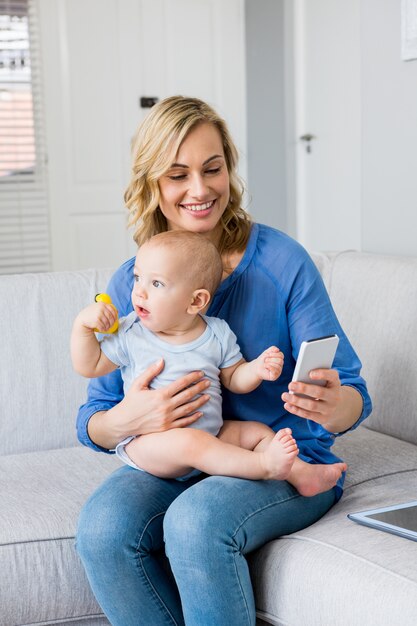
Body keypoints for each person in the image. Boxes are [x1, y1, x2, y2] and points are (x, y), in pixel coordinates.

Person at [75, 95, 372, 626]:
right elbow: (95, 416)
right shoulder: (134, 282)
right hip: (172, 459)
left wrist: (331, 404)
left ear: (229, 170)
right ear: (152, 186)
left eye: (213, 169)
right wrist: (125, 420)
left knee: (195, 523)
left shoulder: (281, 261)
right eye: (177, 174)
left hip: (279, 457)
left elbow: (353, 396)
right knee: (102, 529)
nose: (199, 190)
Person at [72, 229, 347, 487]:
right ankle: (265, 466)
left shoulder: (216, 332)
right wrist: (82, 328)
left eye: (156, 283)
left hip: (211, 432)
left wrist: (257, 369)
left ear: (196, 302)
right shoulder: (132, 332)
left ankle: (301, 475)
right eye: (137, 278)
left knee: (257, 432)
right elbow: (90, 365)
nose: (139, 291)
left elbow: (234, 378)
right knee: (192, 443)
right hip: (150, 443)